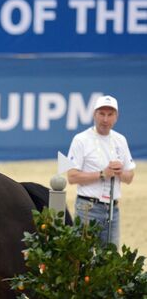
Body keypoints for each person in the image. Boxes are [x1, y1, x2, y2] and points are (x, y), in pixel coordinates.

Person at [66, 95, 135, 247]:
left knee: (110, 258)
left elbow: (130, 176)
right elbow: (71, 177)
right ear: (94, 115)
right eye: (101, 114)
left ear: (116, 117)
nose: (105, 119)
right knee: (83, 256)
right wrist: (102, 174)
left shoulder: (120, 140)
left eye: (110, 115)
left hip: (112, 209)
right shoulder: (80, 139)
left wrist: (119, 172)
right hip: (87, 208)